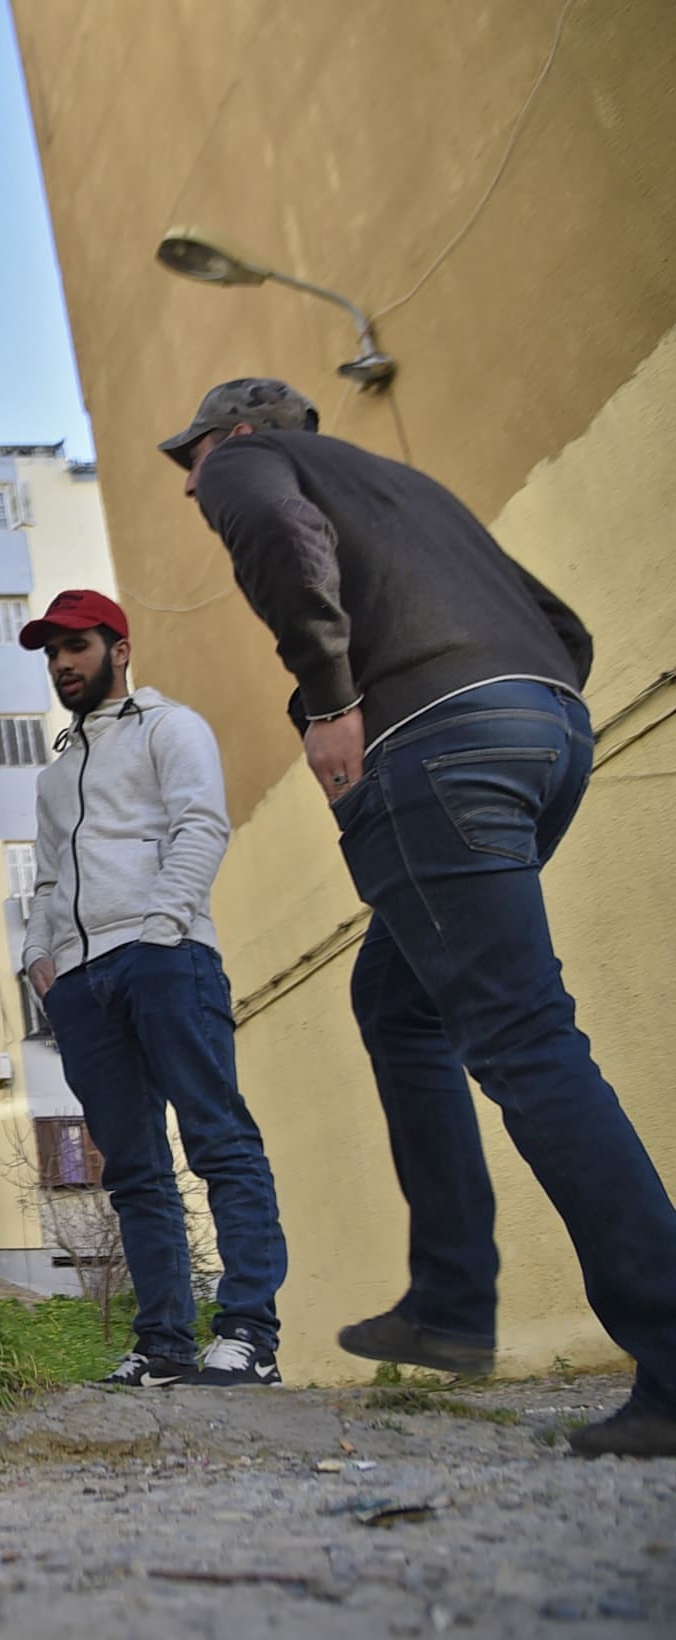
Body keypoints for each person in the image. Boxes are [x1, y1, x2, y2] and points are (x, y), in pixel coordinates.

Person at [172, 376, 676, 1455]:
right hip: (545, 731)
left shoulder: (250, 467)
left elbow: (267, 525)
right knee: (398, 999)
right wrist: (514, 711)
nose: (191, 484)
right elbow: (561, 626)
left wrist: (331, 697)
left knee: (526, 1040)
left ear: (241, 433)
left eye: (195, 458)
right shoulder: (405, 488)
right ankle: (450, 1295)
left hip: (434, 752)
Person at [18, 589, 288, 1388]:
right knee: (133, 1169)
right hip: (81, 981)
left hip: (165, 959)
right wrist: (43, 960)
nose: (64, 665)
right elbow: (44, 880)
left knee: (219, 1140)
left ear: (120, 649)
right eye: (52, 653)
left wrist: (166, 925)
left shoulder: (172, 728)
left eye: (77, 647)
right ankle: (164, 1344)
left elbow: (202, 824)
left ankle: (248, 1334)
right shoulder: (55, 776)